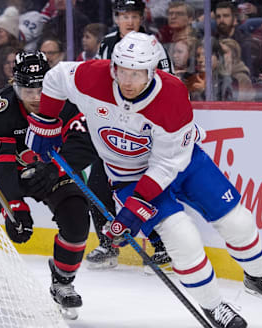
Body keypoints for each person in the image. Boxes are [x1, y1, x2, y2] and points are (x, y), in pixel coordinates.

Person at [25, 32, 262, 328]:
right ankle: (213, 305)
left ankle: (258, 277)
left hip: (180, 163)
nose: (127, 81)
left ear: (152, 72)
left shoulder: (171, 96)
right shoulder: (94, 77)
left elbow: (168, 164)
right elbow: (56, 77)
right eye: (122, 71)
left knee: (238, 221)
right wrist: (46, 123)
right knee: (183, 237)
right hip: (128, 175)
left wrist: (131, 213)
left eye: (136, 74)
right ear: (113, 66)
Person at [0, 50, 90, 318]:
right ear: (13, 85)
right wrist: (14, 205)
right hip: (9, 175)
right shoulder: (0, 110)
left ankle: (62, 282)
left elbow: (84, 146)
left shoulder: (69, 103)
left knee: (77, 220)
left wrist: (55, 169)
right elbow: (1, 164)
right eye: (27, 90)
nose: (36, 97)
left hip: (53, 172)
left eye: (41, 88)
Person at [90, 0, 173, 270]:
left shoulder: (153, 44)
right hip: (111, 128)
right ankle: (108, 243)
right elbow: (97, 83)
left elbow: (167, 84)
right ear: (116, 17)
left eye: (133, 15)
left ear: (141, 17)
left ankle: (161, 246)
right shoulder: (107, 44)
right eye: (123, 15)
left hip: (142, 130)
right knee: (98, 186)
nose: (128, 20)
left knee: (144, 188)